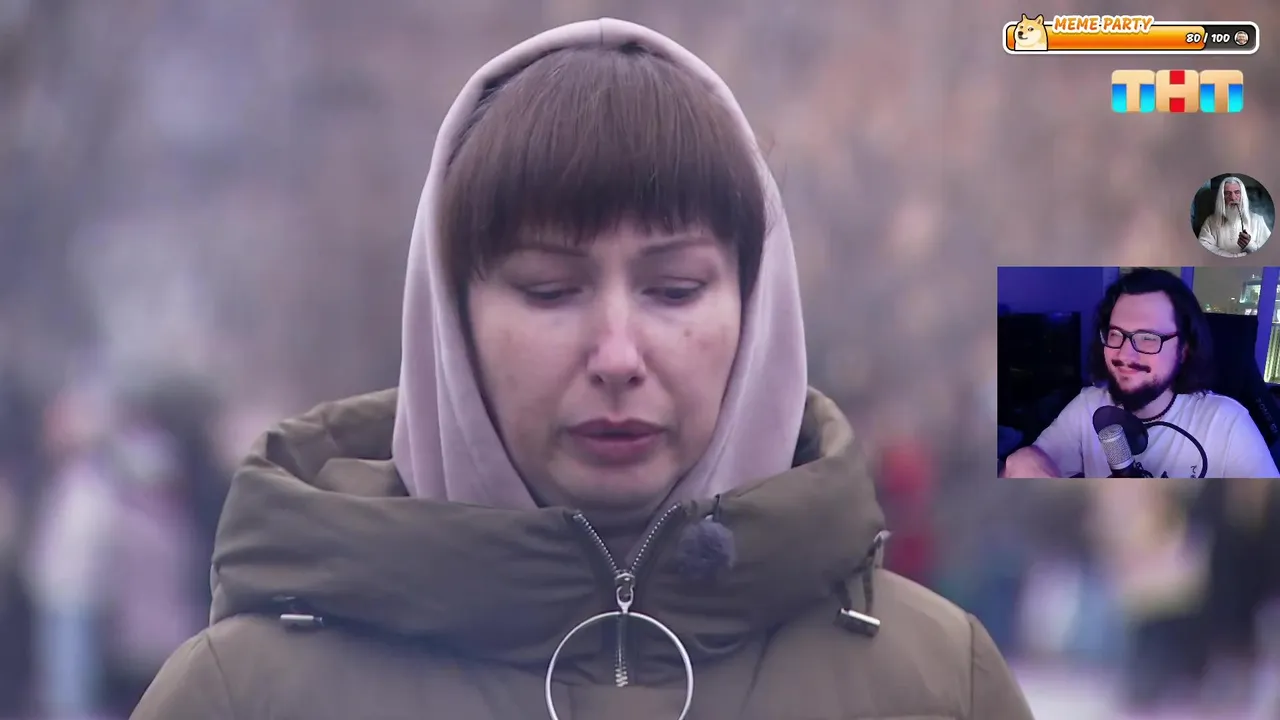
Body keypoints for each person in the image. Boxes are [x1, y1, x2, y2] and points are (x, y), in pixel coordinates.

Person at [132, 19, 1033, 719]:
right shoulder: (244, 693)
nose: (616, 357)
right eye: (550, 290)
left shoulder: (933, 680)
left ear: (756, 309)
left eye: (674, 290)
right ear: (452, 320)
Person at [1003, 268, 1279, 479]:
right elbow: (1027, 469)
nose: (1125, 354)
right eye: (1115, 334)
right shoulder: (1087, 407)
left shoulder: (1226, 423)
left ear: (1183, 350)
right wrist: (1022, 463)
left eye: (1148, 338)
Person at [1198, 177, 1272, 257]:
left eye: (1237, 192)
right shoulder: (1210, 221)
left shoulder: (1258, 221)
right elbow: (1203, 247)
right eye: (1227, 193)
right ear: (1222, 197)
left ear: (1242, 196)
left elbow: (1269, 252)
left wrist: (1250, 245)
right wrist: (1233, 256)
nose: (1233, 198)